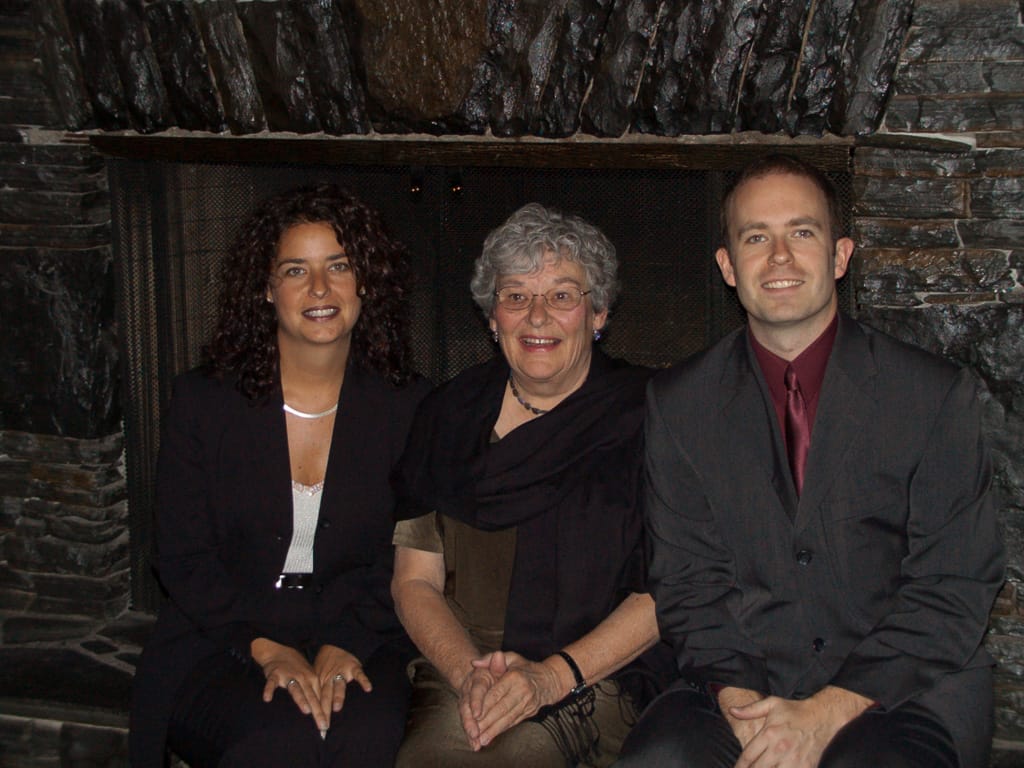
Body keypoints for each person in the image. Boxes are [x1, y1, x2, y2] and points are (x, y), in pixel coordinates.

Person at [615, 154, 1005, 768]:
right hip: (737, 684)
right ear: (727, 267)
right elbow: (688, 584)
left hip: (902, 693)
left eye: (801, 232)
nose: (778, 256)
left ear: (840, 255)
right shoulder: (677, 403)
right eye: (755, 237)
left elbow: (952, 586)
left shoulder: (932, 395)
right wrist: (746, 710)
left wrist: (825, 713)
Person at [128, 183, 430, 768]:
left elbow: (407, 556)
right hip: (220, 635)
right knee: (278, 741)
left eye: (338, 266)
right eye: (296, 270)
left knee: (366, 737)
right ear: (267, 288)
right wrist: (265, 648)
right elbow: (182, 556)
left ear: (364, 281)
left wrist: (347, 642)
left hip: (361, 630)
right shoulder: (204, 402)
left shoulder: (410, 408)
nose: (319, 289)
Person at [390, 202, 675, 767]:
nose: (537, 316)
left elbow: (669, 592)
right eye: (516, 296)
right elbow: (414, 581)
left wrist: (550, 679)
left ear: (598, 313)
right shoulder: (445, 416)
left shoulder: (653, 419)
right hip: (462, 671)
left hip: (594, 676)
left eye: (563, 296)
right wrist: (467, 674)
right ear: (493, 318)